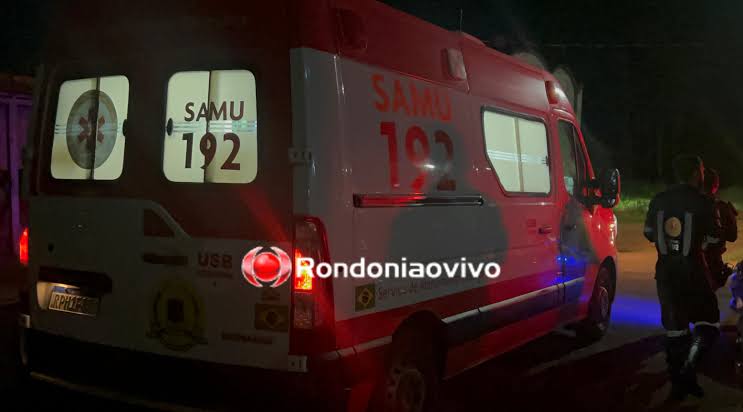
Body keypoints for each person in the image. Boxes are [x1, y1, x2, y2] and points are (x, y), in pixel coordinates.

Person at [643, 154, 722, 401]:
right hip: (694, 271)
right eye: (701, 170)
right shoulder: (703, 202)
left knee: (675, 330)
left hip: (666, 273)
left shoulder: (658, 200)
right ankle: (687, 372)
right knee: (709, 324)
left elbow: (648, 232)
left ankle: (679, 382)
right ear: (696, 173)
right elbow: (715, 237)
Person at [703, 168, 738, 290]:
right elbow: (732, 237)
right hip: (713, 262)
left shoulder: (687, 204)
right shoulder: (722, 207)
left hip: (685, 262)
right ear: (716, 185)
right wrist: (732, 218)